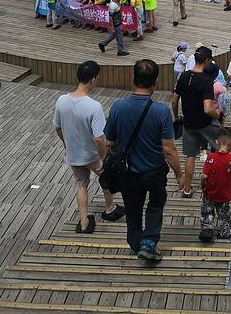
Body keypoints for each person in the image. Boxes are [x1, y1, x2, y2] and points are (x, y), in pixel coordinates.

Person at [104, 59, 184, 262]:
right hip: (154, 170)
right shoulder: (161, 111)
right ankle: (149, 242)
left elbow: (109, 141)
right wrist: (179, 173)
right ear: (155, 82)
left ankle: (135, 244)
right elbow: (169, 149)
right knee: (156, 204)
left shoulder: (118, 107)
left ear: (133, 78)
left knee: (132, 208)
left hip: (128, 171)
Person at [53, 60, 124, 235]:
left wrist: (67, 144)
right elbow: (99, 138)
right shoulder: (94, 106)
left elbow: (58, 128)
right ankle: (109, 208)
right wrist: (104, 157)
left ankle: (84, 222)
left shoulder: (61, 101)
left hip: (74, 154)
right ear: (93, 80)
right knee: (105, 178)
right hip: (92, 155)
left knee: (81, 184)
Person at [170, 45, 220, 198]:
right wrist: (216, 115)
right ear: (206, 61)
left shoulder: (184, 76)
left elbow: (174, 99)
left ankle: (187, 189)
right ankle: (217, 182)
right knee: (221, 148)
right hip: (205, 123)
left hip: (189, 123)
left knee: (190, 156)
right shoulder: (206, 81)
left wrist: (176, 117)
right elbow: (207, 109)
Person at [199, 126, 231, 242]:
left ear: (216, 142)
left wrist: (202, 184)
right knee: (223, 214)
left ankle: (207, 230)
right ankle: (225, 231)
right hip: (224, 193)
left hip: (209, 192)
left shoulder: (211, 157)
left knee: (207, 211)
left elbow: (204, 176)